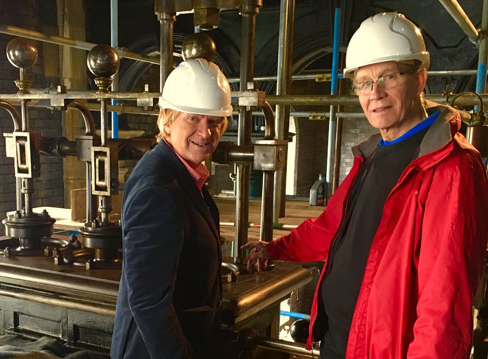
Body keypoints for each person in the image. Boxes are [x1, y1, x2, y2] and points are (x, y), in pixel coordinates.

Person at [243, 12, 488, 359]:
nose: (376, 93)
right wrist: (275, 250)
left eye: (389, 76)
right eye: (364, 82)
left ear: (419, 77)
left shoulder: (451, 167)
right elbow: (331, 229)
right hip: (339, 343)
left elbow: (443, 306)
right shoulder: (372, 154)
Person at [110, 58, 232, 359]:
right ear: (168, 118)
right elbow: (149, 302)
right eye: (193, 118)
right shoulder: (159, 189)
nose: (206, 133)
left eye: (214, 121)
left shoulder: (179, 172)